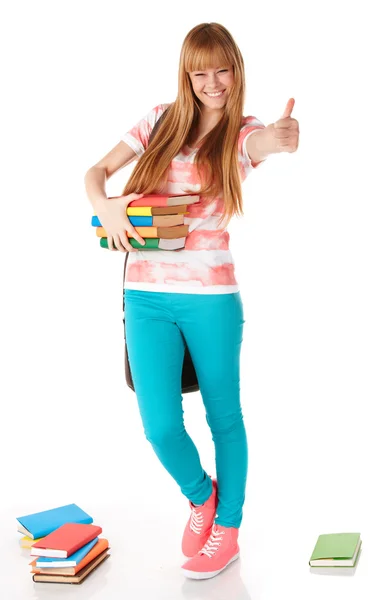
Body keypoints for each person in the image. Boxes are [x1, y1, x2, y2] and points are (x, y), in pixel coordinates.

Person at [84, 22, 299, 580]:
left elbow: (265, 142)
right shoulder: (158, 120)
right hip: (145, 295)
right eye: (199, 71)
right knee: (159, 424)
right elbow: (96, 172)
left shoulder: (242, 134)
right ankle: (202, 497)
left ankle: (228, 529)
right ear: (186, 73)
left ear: (236, 70)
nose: (211, 82)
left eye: (221, 69)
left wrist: (280, 136)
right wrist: (106, 206)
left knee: (224, 415)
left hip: (210, 298)